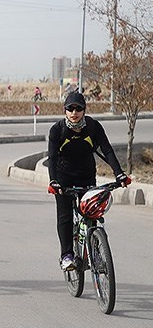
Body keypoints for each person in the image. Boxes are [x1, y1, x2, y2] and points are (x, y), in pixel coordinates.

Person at [47, 92, 130, 271]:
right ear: (65, 110)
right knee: (65, 215)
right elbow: (52, 158)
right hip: (63, 179)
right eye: (70, 108)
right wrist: (53, 181)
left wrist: (119, 174)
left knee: (91, 213)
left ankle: (95, 250)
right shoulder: (57, 130)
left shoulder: (93, 127)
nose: (74, 112)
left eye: (78, 108)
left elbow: (107, 151)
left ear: (84, 110)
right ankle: (67, 255)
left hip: (86, 176)